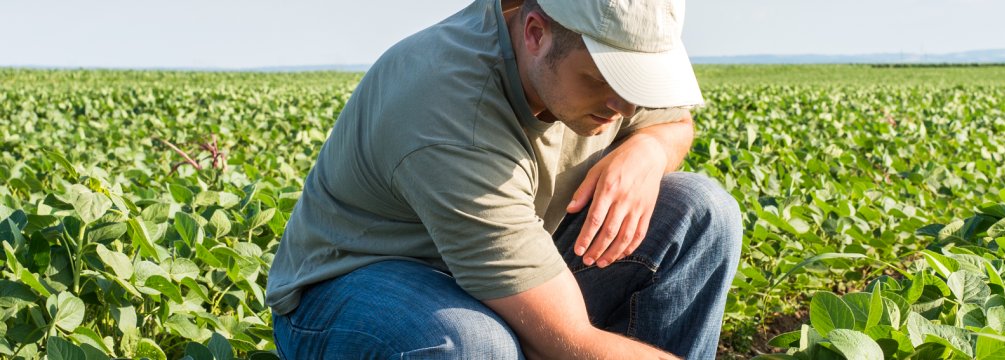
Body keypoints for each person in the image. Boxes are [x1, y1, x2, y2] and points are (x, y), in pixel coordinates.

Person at [264, 0, 741, 358]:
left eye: (640, 84)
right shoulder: (449, 109)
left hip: (508, 267)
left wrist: (648, 149)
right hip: (358, 287)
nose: (625, 108)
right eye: (602, 79)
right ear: (536, 33)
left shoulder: (604, 49)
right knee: (472, 345)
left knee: (702, 210)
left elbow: (673, 123)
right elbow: (568, 338)